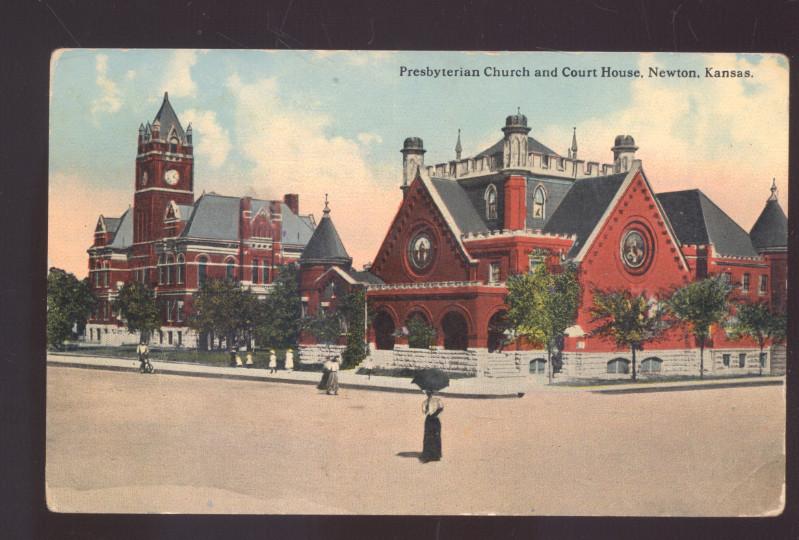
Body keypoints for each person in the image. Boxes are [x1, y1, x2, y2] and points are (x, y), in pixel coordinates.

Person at [420, 390, 444, 463]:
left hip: (435, 419)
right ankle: (427, 454)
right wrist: (427, 407)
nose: (428, 394)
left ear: (432, 392)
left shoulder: (438, 400)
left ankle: (436, 455)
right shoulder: (425, 402)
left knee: (436, 436)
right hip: (428, 420)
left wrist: (434, 414)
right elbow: (424, 412)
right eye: (427, 392)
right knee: (427, 436)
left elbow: (441, 408)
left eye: (430, 392)